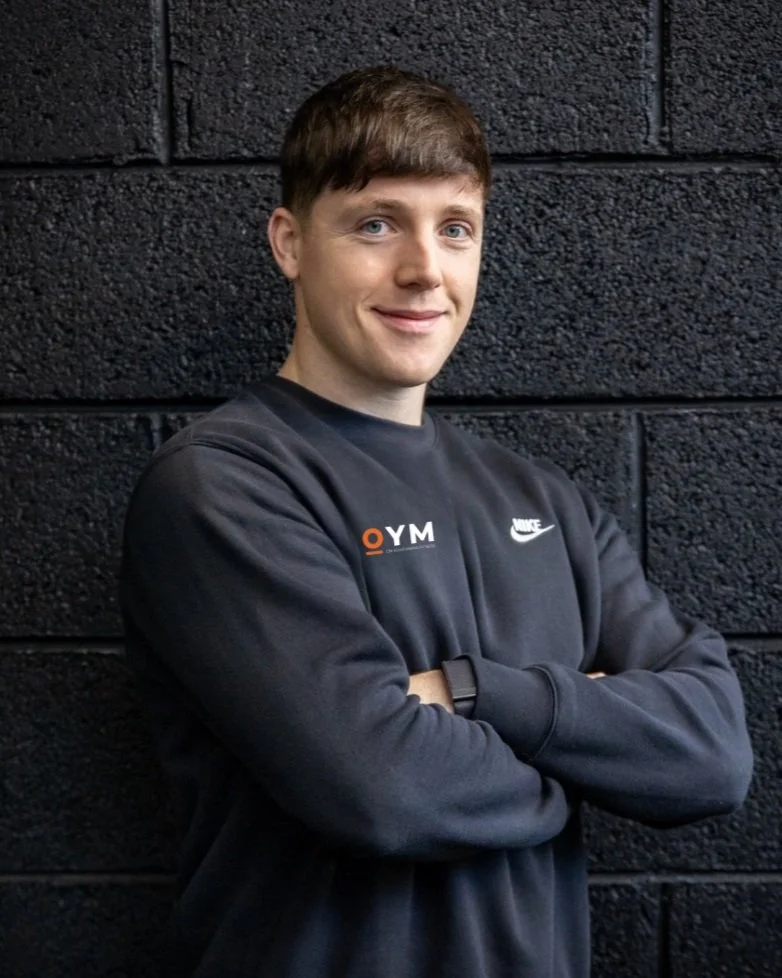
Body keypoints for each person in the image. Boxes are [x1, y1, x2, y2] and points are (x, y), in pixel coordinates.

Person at [120, 66, 753, 978]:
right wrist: (595, 746)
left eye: (455, 228)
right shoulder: (221, 486)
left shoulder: (542, 500)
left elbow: (712, 755)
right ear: (290, 242)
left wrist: (474, 697)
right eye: (377, 224)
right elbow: (383, 789)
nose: (423, 270)